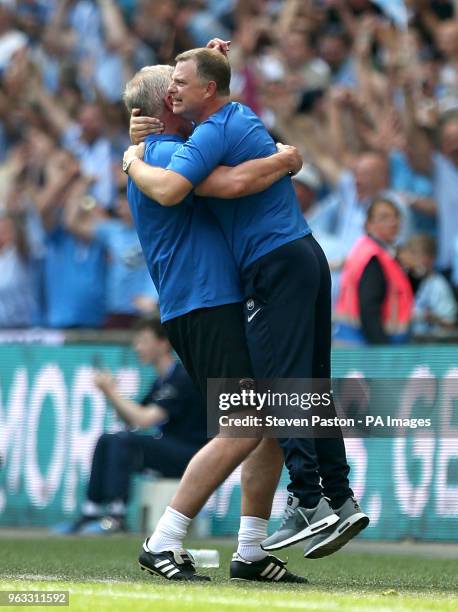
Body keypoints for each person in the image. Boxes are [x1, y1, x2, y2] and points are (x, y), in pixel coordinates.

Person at [125, 43, 367, 570]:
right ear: (165, 108)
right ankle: (163, 539)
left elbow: (212, 104)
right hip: (204, 302)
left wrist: (209, 64)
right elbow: (224, 182)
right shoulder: (160, 155)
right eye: (173, 88)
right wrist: (283, 160)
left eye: (183, 82)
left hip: (221, 296)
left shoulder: (181, 140)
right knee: (244, 424)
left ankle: (254, 548)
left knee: (276, 407)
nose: (178, 90)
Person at [54, 317, 206, 535]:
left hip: (192, 454)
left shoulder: (181, 377)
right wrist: (112, 392)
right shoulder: (160, 381)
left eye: (143, 341)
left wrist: (110, 392)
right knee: (108, 438)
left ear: (163, 344)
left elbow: (144, 419)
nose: (137, 348)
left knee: (122, 441)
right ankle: (91, 512)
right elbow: (130, 418)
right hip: (169, 447)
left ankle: (116, 515)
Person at [334, 196, 414, 345]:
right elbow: (369, 309)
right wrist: (382, 352)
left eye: (396, 216)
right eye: (384, 217)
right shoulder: (373, 257)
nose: (393, 223)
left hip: (355, 343)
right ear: (368, 224)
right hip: (366, 348)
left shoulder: (372, 252)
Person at [405, 234, 457, 337]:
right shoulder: (406, 280)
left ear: (431, 258)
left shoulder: (438, 285)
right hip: (410, 343)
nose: (414, 260)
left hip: (434, 344)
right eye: (411, 254)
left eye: (419, 255)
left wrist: (429, 317)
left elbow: (450, 324)